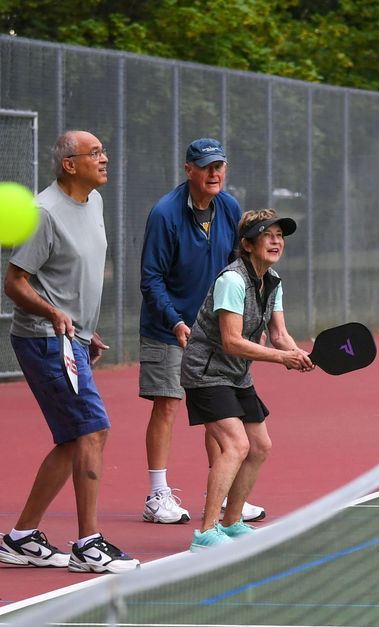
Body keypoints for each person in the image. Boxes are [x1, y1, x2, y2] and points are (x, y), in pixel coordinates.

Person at [0, 130, 139, 574]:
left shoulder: (92, 202)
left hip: (69, 338)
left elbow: (70, 277)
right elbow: (15, 282)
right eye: (94, 153)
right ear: (69, 165)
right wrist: (55, 315)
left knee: (74, 438)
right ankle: (88, 545)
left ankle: (21, 539)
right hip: (42, 339)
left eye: (103, 150)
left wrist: (82, 329)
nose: (105, 157)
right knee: (93, 430)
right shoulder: (43, 213)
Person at [137, 138, 266, 526]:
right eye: (206, 167)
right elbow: (151, 278)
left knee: (218, 407)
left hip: (213, 330)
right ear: (188, 170)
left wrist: (238, 319)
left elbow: (238, 263)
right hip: (168, 327)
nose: (214, 174)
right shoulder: (165, 214)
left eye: (219, 166)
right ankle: (157, 495)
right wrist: (177, 322)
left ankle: (224, 497)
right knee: (168, 403)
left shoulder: (228, 207)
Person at [180, 209, 314, 551]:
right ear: (247, 244)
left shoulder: (273, 282)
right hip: (206, 372)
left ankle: (232, 522)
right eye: (267, 234)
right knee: (236, 445)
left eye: (279, 236)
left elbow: (279, 334)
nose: (275, 241)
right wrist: (281, 358)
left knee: (260, 446)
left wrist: (297, 353)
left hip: (237, 374)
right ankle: (205, 533)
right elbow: (231, 341)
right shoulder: (232, 281)